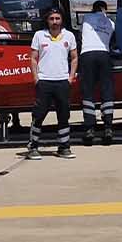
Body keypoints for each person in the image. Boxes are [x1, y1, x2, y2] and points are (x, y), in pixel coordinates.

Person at [26, 8, 79, 159]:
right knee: (39, 114)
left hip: (62, 81)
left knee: (64, 115)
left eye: (57, 18)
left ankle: (64, 147)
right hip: (45, 81)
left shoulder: (69, 35)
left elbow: (74, 57)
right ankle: (33, 147)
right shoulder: (39, 35)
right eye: (52, 19)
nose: (55, 22)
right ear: (47, 21)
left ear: (61, 20)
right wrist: (36, 78)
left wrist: (71, 77)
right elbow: (33, 58)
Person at [78, 0, 117, 145]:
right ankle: (108, 127)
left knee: (88, 91)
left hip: (87, 54)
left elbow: (81, 34)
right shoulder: (111, 23)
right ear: (104, 9)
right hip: (104, 55)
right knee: (107, 89)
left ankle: (89, 128)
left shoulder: (86, 19)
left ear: (93, 9)